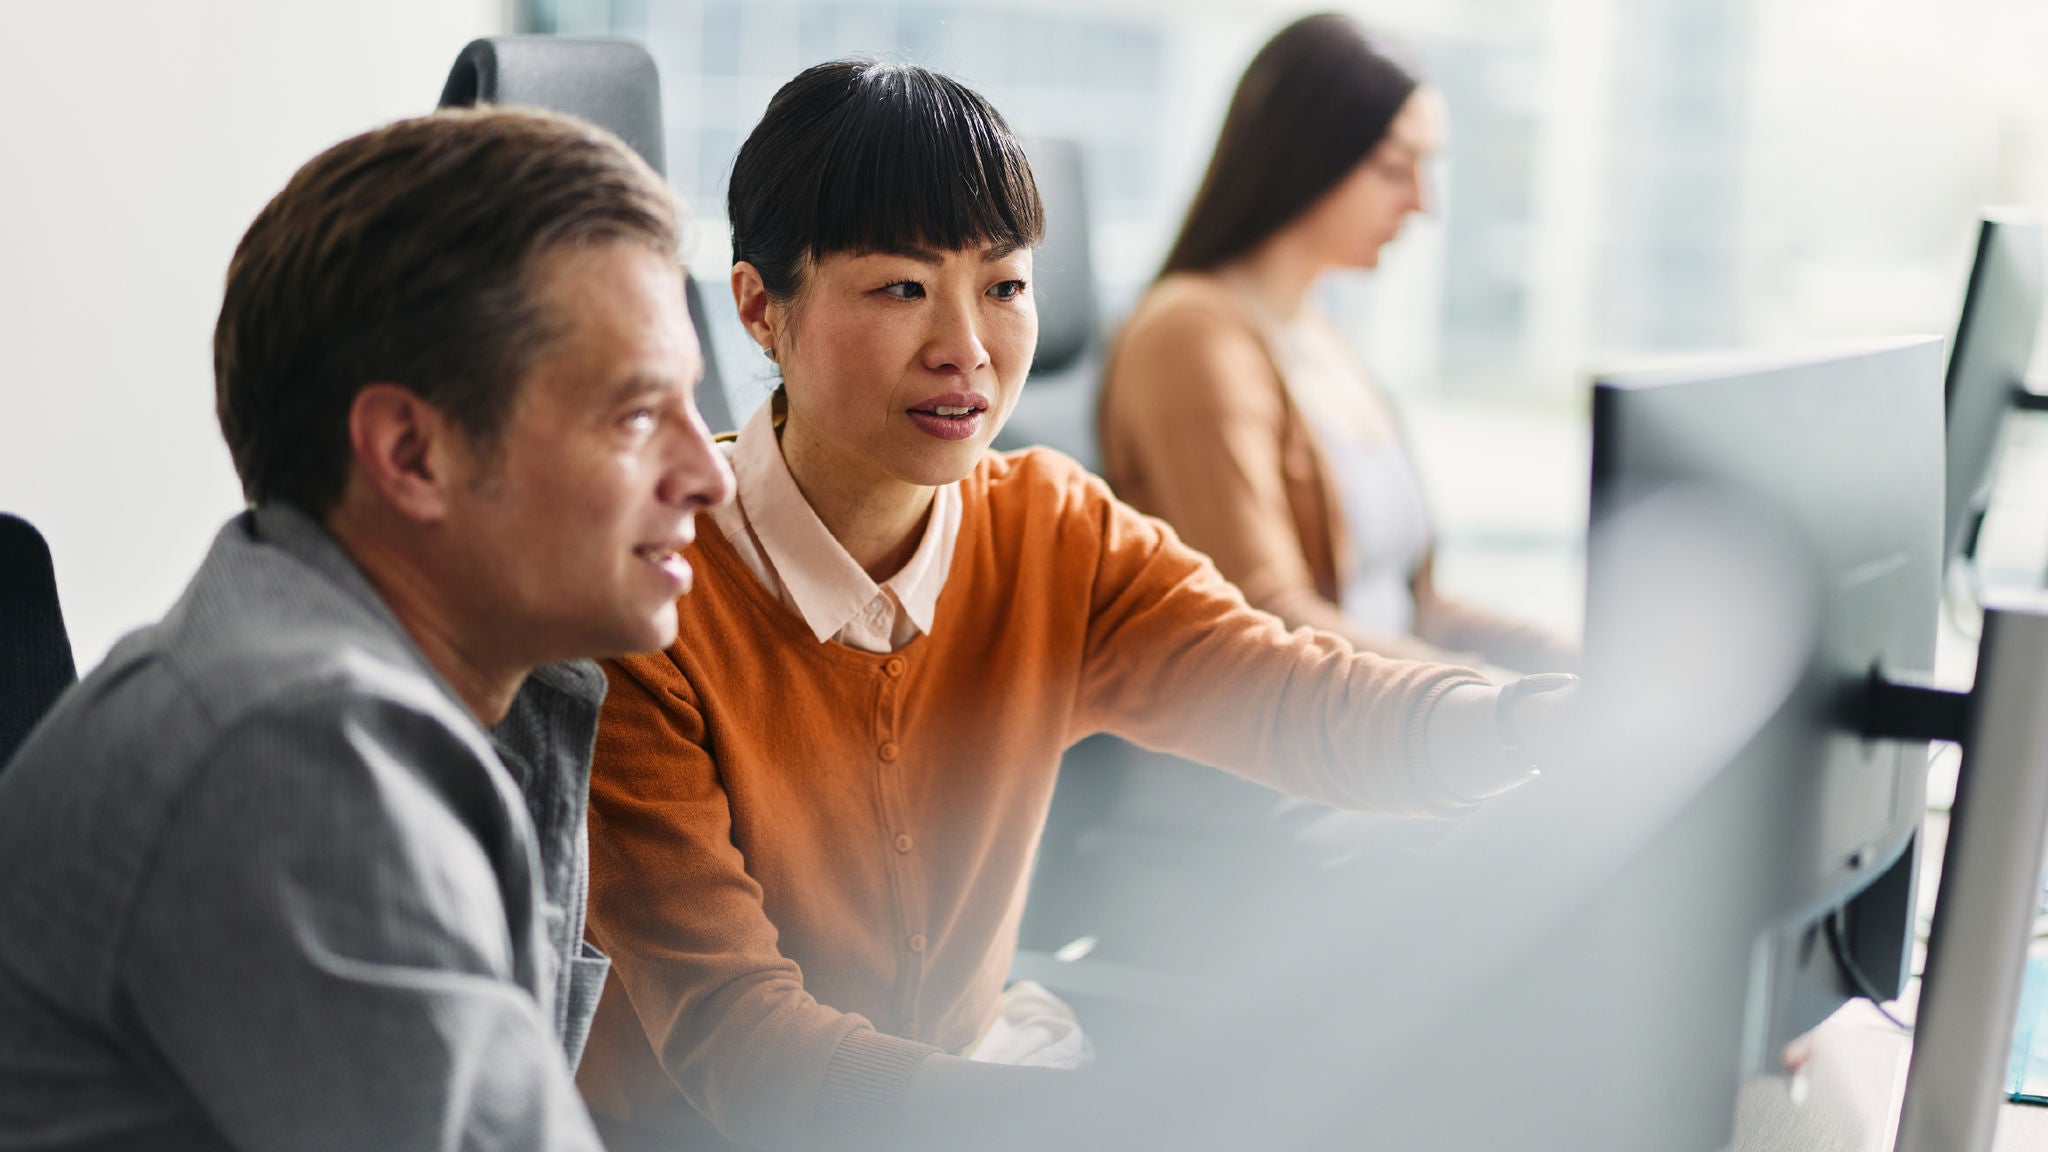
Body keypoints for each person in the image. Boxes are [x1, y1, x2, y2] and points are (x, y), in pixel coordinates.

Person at [574, 60, 1575, 1152]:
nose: (965, 347)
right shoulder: (646, 591)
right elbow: (742, 1046)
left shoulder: (1052, 527)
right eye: (900, 287)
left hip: (970, 1093)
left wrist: (1522, 725)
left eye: (1002, 287)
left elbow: (1291, 693)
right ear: (760, 309)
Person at [0, 108, 734, 1150]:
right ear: (409, 453)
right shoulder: (297, 749)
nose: (709, 473)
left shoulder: (359, 696)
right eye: (632, 415)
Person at [1098, 12, 1574, 674]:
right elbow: (1261, 617)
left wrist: (1571, 663)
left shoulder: (1320, 333)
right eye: (1392, 167)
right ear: (1306, 158)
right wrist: (1485, 703)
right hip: (1293, 754)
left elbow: (1414, 607)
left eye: (1426, 167)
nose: (1422, 202)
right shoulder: (1191, 335)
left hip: (1381, 725)